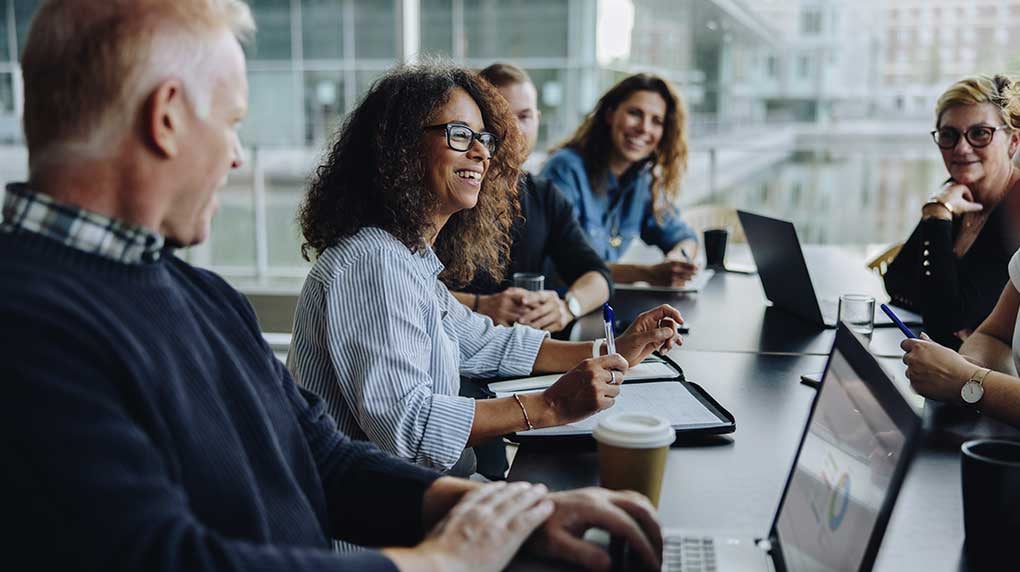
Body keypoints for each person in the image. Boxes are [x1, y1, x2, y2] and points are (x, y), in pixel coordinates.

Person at [1, 2, 664, 570]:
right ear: (167, 116)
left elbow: (322, 456)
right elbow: (163, 558)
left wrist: (517, 512)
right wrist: (437, 560)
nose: (237, 155)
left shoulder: (200, 296)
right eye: (233, 122)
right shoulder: (27, 325)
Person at [288, 62, 684, 475]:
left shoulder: (406, 257)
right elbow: (410, 428)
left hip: (414, 499)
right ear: (400, 148)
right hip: (373, 529)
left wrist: (613, 349)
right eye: (460, 135)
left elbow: (487, 344)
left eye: (484, 139)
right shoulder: (373, 262)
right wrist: (553, 405)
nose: (481, 152)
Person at [447, 63, 611, 333]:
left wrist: (568, 307)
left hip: (526, 354)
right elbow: (408, 286)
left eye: (523, 117)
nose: (513, 131)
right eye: (500, 118)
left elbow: (598, 276)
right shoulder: (451, 190)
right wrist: (480, 305)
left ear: (537, 118)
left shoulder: (543, 195)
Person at [884, 75, 1020, 349]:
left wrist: (936, 216)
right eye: (949, 135)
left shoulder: (1015, 208)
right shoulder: (954, 193)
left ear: (1013, 142)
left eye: (980, 133)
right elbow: (896, 281)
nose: (961, 148)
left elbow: (945, 322)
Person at [540, 73, 699, 287]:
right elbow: (562, 268)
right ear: (610, 115)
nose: (644, 128)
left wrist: (679, 259)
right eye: (635, 113)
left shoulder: (643, 180)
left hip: (601, 305)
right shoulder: (565, 170)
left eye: (656, 121)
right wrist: (647, 274)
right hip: (556, 307)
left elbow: (683, 236)